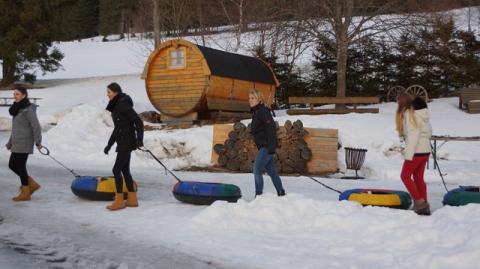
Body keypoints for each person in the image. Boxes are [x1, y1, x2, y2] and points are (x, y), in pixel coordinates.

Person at [103, 83, 144, 211]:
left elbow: (138, 121)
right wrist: (109, 144)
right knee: (125, 170)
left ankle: (119, 201)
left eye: (109, 92)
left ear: (115, 92)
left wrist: (139, 139)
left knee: (116, 170)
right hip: (123, 141)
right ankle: (132, 200)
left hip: (126, 142)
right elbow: (118, 128)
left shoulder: (122, 105)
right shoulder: (117, 105)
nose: (107, 94)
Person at [396, 93, 432, 215]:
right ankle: (424, 204)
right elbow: (429, 132)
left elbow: (413, 135)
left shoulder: (410, 114)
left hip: (416, 151)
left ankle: (419, 203)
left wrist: (408, 154)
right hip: (425, 151)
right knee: (418, 178)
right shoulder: (421, 113)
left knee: (405, 176)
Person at [5, 85, 42, 202]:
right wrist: (10, 142)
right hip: (17, 141)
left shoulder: (28, 108)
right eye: (14, 94)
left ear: (24, 95)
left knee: (20, 166)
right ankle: (32, 184)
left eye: (17, 94)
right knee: (12, 165)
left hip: (25, 141)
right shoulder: (17, 108)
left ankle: (25, 192)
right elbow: (16, 128)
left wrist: (38, 142)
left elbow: (35, 126)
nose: (15, 96)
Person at [249, 89, 285, 197]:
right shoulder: (256, 112)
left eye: (252, 98)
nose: (250, 100)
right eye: (249, 98)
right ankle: (281, 192)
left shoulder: (263, 111)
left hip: (266, 146)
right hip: (263, 147)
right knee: (272, 172)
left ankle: (258, 195)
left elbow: (271, 128)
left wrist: (272, 146)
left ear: (259, 99)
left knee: (256, 170)